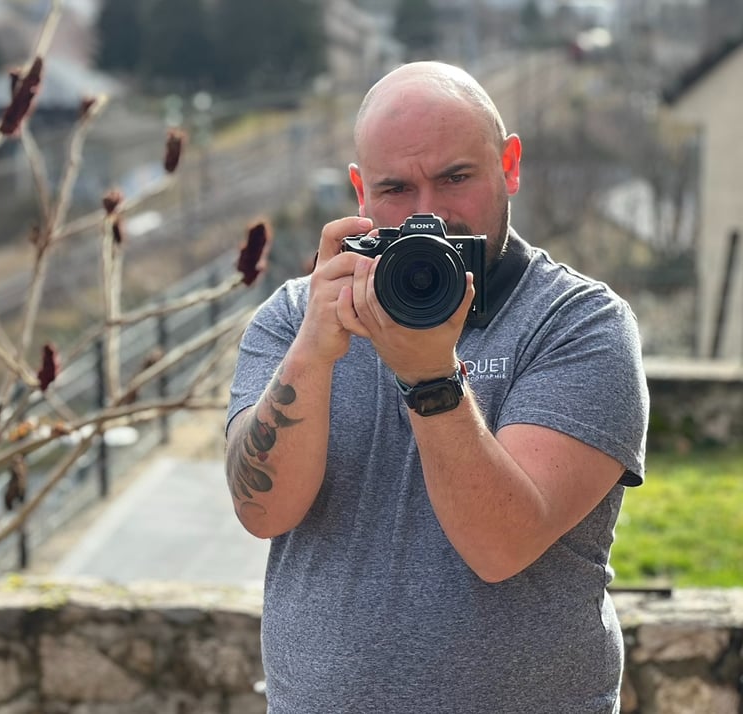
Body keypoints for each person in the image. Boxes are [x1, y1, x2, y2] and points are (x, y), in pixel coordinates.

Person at [225, 60, 649, 714]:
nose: (430, 214)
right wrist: (312, 351)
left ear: (509, 165)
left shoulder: (579, 324)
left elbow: (500, 545)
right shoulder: (295, 318)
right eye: (396, 188)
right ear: (361, 193)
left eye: (455, 177)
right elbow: (262, 512)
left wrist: (430, 376)